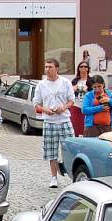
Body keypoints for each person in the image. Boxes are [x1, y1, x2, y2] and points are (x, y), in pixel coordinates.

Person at [32, 58, 75, 188]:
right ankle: (53, 177)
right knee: (51, 151)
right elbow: (36, 104)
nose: (47, 69)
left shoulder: (65, 82)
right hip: (49, 121)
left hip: (64, 119)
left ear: (57, 68)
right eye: (46, 67)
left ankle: (73, 175)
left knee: (70, 148)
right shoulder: (41, 85)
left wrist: (64, 107)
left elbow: (71, 100)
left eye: (50, 67)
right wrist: (45, 110)